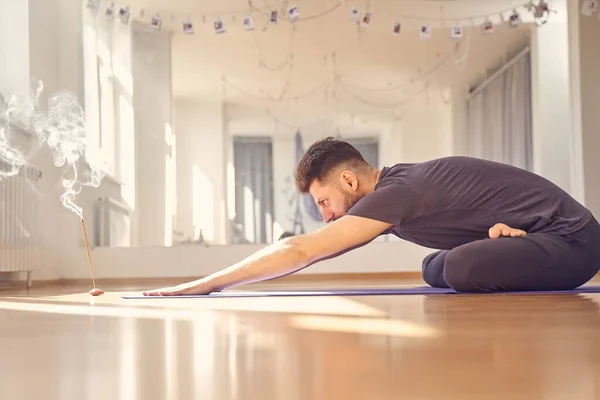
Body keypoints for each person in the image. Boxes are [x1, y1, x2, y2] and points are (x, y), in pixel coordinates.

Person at [143, 137, 600, 296]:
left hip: (575, 241)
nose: (326, 218)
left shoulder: (398, 192)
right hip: (535, 236)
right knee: (433, 269)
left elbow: (301, 250)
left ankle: (507, 251)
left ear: (348, 182)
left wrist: (205, 283)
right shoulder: (397, 186)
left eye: (324, 203)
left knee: (458, 267)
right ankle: (508, 248)